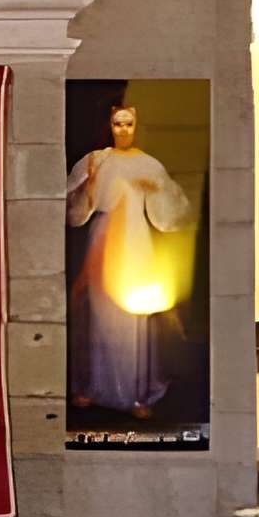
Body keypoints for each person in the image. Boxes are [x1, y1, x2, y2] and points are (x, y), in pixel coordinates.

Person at [68, 104, 196, 417]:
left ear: (137, 125)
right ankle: (92, 386)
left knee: (134, 318)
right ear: (109, 124)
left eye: (129, 124)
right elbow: (73, 209)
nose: (123, 129)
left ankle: (138, 393)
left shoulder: (148, 164)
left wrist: (156, 190)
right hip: (105, 237)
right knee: (101, 312)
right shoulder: (97, 160)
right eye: (117, 123)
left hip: (136, 241)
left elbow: (172, 212)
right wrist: (91, 187)